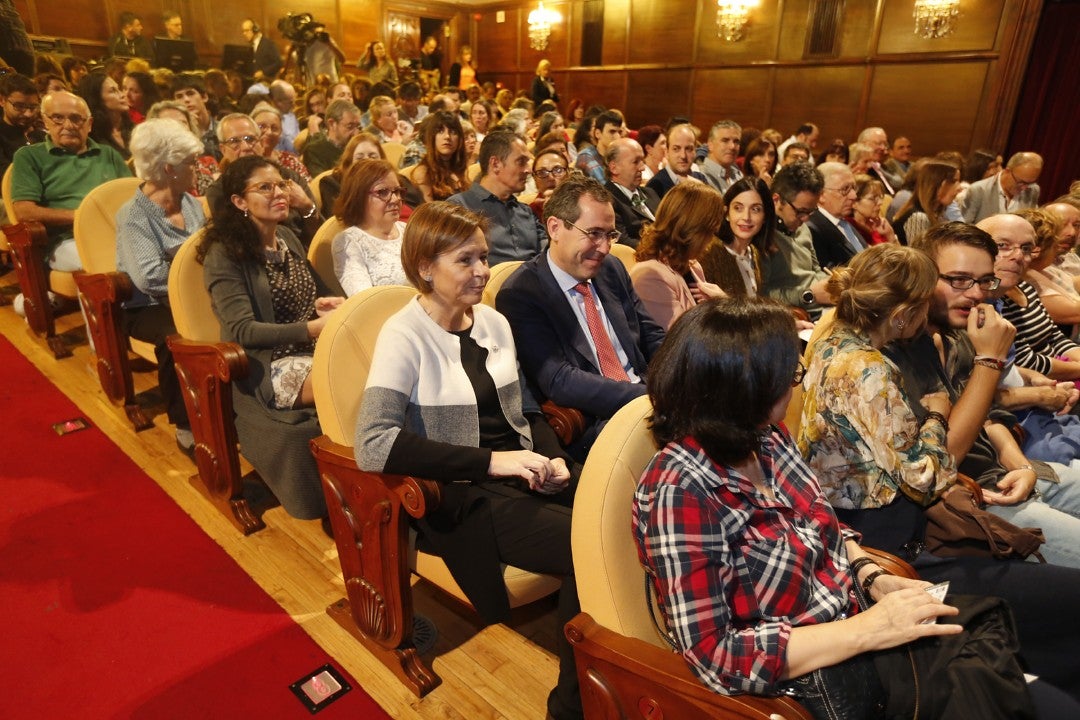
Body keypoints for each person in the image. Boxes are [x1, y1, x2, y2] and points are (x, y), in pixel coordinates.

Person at [636, 295, 1075, 716]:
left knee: (1028, 659)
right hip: (824, 675)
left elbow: (824, 525)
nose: (800, 384)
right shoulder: (680, 489)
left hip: (862, 620)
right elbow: (715, 654)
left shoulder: (764, 439)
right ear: (742, 388)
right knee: (1038, 698)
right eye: (790, 376)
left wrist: (871, 576)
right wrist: (869, 629)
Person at [355, 201, 581, 720]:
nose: (482, 270)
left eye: (484, 256)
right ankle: (571, 709)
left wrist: (553, 456)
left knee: (622, 511)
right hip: (460, 494)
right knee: (583, 544)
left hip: (519, 470)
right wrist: (493, 462)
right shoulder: (403, 334)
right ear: (424, 268)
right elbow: (373, 443)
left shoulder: (495, 322)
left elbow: (525, 409)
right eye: (466, 260)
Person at [198, 155, 343, 521]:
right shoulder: (225, 255)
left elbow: (311, 294)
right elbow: (242, 330)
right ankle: (352, 488)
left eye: (281, 184)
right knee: (348, 380)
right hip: (266, 365)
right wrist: (310, 328)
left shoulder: (288, 237)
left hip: (310, 348)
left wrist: (323, 304)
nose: (279, 192)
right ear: (239, 201)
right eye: (265, 187)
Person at [497, 175, 666, 461]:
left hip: (651, 399)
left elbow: (651, 336)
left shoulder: (610, 268)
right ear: (555, 228)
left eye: (610, 235)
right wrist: (647, 398)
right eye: (594, 233)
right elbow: (560, 380)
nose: (604, 248)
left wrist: (682, 379)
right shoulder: (523, 292)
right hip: (596, 421)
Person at [115, 118, 205, 453]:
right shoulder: (134, 216)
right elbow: (149, 277)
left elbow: (208, 252)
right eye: (191, 163)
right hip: (146, 307)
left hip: (192, 296)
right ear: (169, 168)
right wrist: (194, 285)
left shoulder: (191, 202)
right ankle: (185, 423)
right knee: (177, 337)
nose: (197, 169)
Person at [9, 90, 130, 315]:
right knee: (101, 259)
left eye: (76, 118)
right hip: (65, 240)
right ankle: (104, 340)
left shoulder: (108, 154)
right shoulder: (29, 157)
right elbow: (24, 211)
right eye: (58, 118)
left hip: (115, 233)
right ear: (45, 121)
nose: (68, 125)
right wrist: (81, 216)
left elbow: (130, 195)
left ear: (89, 124)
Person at [630, 182, 726, 329]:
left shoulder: (692, 265)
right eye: (711, 232)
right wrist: (721, 307)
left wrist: (722, 303)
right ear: (694, 230)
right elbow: (681, 341)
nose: (711, 240)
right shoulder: (649, 276)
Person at [447, 130, 548, 266]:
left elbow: (549, 257)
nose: (528, 170)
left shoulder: (526, 211)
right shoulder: (459, 207)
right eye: (521, 162)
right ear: (495, 164)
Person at [331, 159, 408, 296]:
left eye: (397, 191)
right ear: (358, 196)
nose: (395, 199)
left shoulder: (407, 230)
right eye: (383, 192)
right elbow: (364, 300)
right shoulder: (349, 242)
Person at [700, 176, 775, 297]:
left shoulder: (755, 253)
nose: (746, 217)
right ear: (727, 213)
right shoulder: (708, 251)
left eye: (755, 209)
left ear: (765, 217)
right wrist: (725, 301)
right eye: (738, 208)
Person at [604, 137, 659, 249]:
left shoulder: (650, 193)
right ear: (614, 168)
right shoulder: (607, 200)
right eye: (635, 162)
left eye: (642, 161)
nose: (643, 168)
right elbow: (622, 242)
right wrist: (661, 249)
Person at [316, 131, 384, 219]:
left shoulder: (391, 181)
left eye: (373, 157)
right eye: (359, 158)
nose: (367, 162)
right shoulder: (331, 183)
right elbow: (338, 220)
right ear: (349, 162)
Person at [961, 151, 1042, 223]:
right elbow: (964, 226)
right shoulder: (979, 189)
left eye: (1030, 183)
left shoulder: (1033, 190)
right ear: (1007, 171)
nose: (1024, 188)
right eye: (1021, 182)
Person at [893, 161, 961, 246]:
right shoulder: (918, 217)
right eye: (953, 181)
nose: (960, 188)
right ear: (938, 185)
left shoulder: (938, 214)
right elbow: (919, 256)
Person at [411, 110, 467, 203]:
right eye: (440, 131)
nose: (447, 136)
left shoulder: (460, 169)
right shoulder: (424, 173)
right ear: (432, 137)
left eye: (453, 132)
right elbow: (430, 214)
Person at [78, 73, 133, 159]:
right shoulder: (91, 140)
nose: (122, 95)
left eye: (119, 89)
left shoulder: (132, 128)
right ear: (97, 99)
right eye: (113, 91)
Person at [250, 103, 310, 182]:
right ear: (250, 129)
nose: (269, 132)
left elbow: (308, 188)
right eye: (261, 126)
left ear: (280, 135)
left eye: (274, 128)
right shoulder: (243, 161)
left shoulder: (291, 161)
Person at [0, 72, 44, 178]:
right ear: (2, 100)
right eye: (19, 106)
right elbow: (6, 175)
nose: (28, 114)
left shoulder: (41, 134)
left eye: (33, 107)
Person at [302, 98, 362, 176]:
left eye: (358, 127)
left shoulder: (359, 145)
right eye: (350, 126)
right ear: (331, 123)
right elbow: (321, 183)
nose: (356, 133)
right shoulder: (314, 151)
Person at [850, 173, 897, 244]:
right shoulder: (851, 229)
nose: (880, 202)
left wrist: (890, 235)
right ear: (854, 203)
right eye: (873, 198)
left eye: (879, 197)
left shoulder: (878, 224)